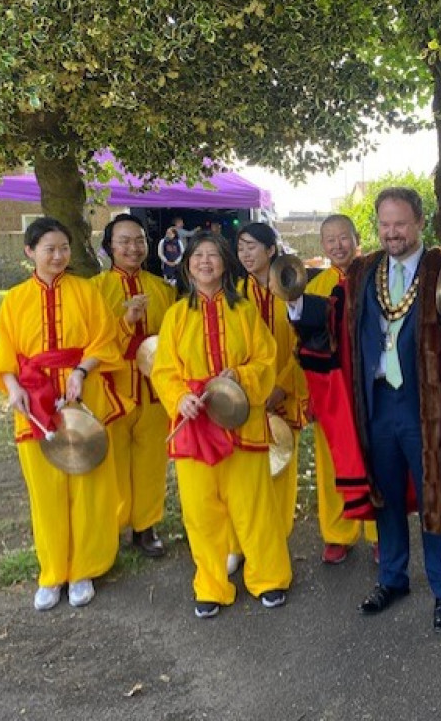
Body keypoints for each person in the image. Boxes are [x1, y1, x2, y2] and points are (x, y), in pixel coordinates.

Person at [289, 187, 441, 635]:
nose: (392, 233)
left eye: (400, 224)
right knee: (386, 497)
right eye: (385, 225)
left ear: (419, 224)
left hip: (426, 407)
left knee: (436, 496)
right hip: (376, 405)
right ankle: (392, 579)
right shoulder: (363, 270)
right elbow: (334, 321)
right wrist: (296, 301)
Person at [150, 230, 291, 618]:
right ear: (187, 264)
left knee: (253, 506)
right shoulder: (176, 315)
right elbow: (164, 370)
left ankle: (269, 579)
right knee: (201, 510)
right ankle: (210, 585)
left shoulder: (244, 311)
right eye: (198, 256)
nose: (205, 262)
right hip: (194, 425)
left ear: (225, 264)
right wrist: (181, 398)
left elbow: (266, 360)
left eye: (213, 255)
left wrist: (241, 376)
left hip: (242, 422)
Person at [0, 217, 123, 611]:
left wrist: (82, 371)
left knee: (88, 484)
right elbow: (6, 355)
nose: (58, 255)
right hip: (33, 401)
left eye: (64, 248)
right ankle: (52, 572)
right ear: (30, 251)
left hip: (81, 395)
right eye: (49, 248)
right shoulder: (13, 299)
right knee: (45, 491)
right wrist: (13, 389)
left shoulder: (86, 291)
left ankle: (84, 568)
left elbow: (105, 339)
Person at [94, 214, 177, 557]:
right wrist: (125, 323)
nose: (133, 247)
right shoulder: (95, 290)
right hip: (112, 391)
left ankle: (146, 525)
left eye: (139, 240)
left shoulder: (162, 289)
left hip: (154, 392)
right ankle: (112, 526)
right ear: (110, 247)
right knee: (112, 462)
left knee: (151, 463)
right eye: (124, 241)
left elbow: (174, 341)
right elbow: (91, 341)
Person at [302, 214, 377, 565]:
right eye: (329, 239)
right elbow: (303, 347)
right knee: (331, 462)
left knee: (376, 459)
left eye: (343, 237)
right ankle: (338, 533)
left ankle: (380, 532)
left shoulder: (377, 277)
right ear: (322, 246)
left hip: (371, 388)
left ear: (356, 238)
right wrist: (309, 395)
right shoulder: (314, 289)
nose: (337, 245)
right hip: (331, 392)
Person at [235, 222, 308, 538]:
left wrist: (282, 387)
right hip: (248, 396)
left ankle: (278, 534)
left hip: (286, 391)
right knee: (248, 468)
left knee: (283, 462)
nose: (245, 254)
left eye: (252, 246)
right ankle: (249, 537)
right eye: (240, 248)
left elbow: (304, 345)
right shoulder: (235, 295)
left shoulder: (293, 290)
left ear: (271, 250)